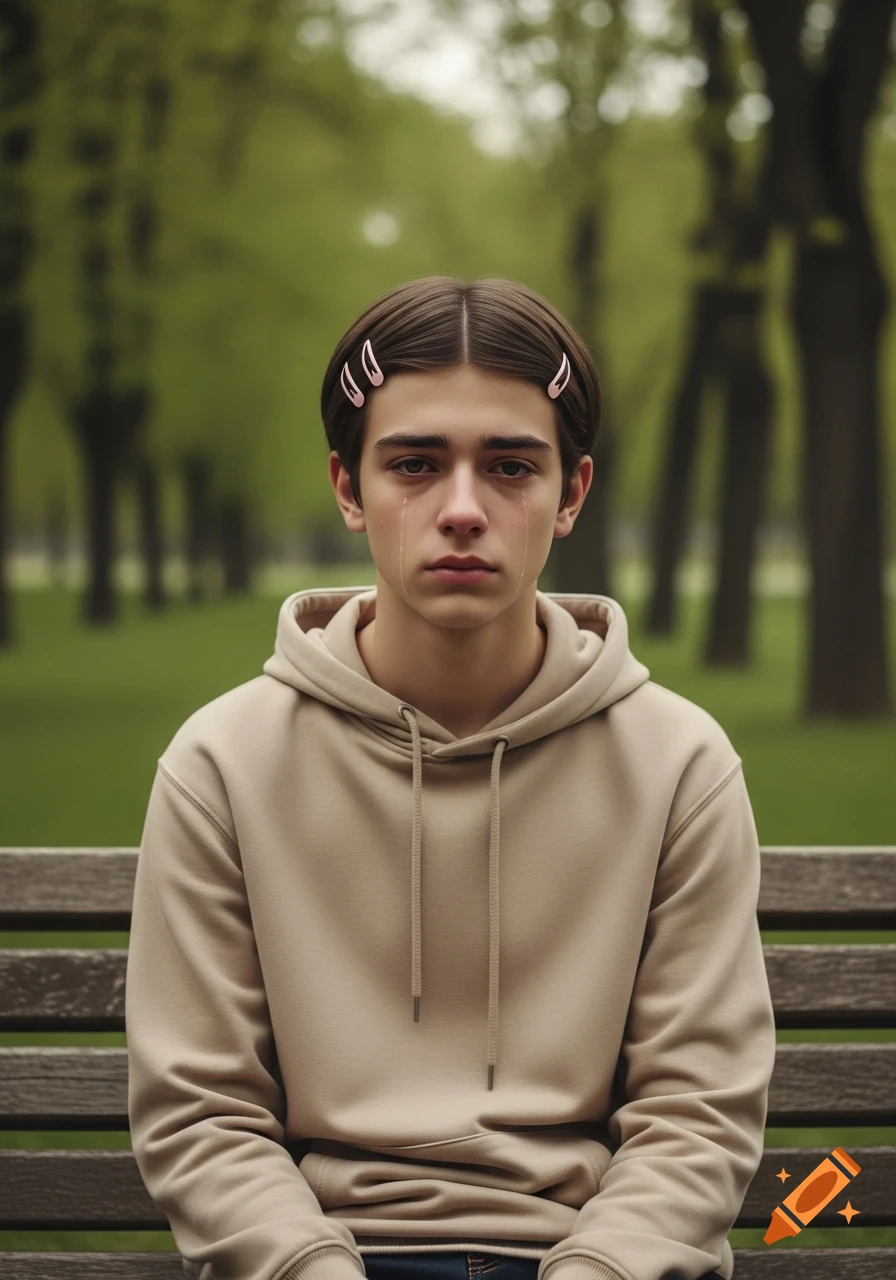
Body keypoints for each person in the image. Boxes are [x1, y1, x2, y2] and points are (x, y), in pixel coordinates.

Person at [126, 275, 775, 1280]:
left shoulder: (677, 762)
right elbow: (202, 1113)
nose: (461, 508)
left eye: (510, 465)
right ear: (348, 488)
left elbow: (694, 1114)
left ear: (570, 494)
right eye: (415, 464)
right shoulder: (224, 760)